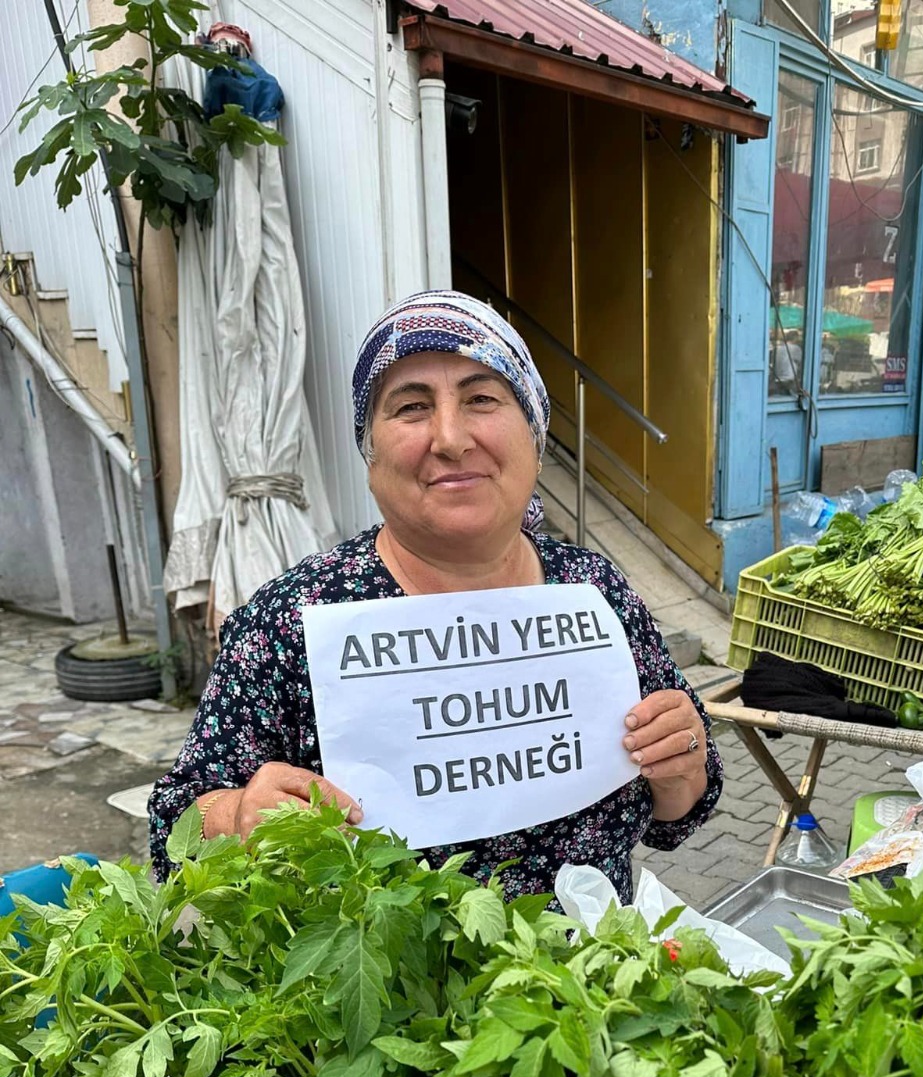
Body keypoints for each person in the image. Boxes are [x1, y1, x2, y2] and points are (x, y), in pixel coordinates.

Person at [148, 291, 723, 901]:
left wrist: (682, 764)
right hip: (386, 990)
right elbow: (171, 834)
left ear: (533, 433)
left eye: (481, 398)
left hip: (598, 984)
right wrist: (237, 817)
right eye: (412, 407)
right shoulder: (293, 620)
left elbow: (680, 808)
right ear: (370, 456)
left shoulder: (594, 590)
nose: (450, 438)